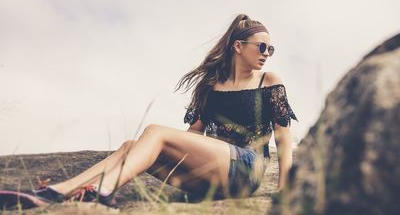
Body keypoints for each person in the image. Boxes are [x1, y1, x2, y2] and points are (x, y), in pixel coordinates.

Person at [0, 13, 298, 209]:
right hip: (210, 175)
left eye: (270, 50)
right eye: (262, 47)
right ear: (238, 46)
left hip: (246, 169)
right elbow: (192, 137)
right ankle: (56, 193)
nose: (266, 55)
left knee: (154, 132)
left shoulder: (268, 81)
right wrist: (162, 151)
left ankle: (102, 193)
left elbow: (284, 138)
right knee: (133, 146)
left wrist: (283, 193)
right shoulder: (211, 87)